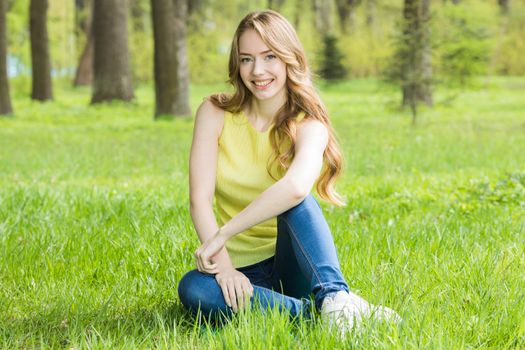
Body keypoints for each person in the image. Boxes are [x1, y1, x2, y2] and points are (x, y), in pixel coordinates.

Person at [178, 10, 400, 334]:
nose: (258, 70)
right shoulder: (214, 112)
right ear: (236, 65)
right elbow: (199, 199)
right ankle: (324, 315)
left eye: (269, 56)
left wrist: (222, 234)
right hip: (239, 270)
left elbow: (296, 187)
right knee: (194, 289)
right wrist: (224, 269)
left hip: (293, 265)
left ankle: (334, 297)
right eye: (246, 59)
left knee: (295, 199)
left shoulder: (309, 124)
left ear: (288, 60)